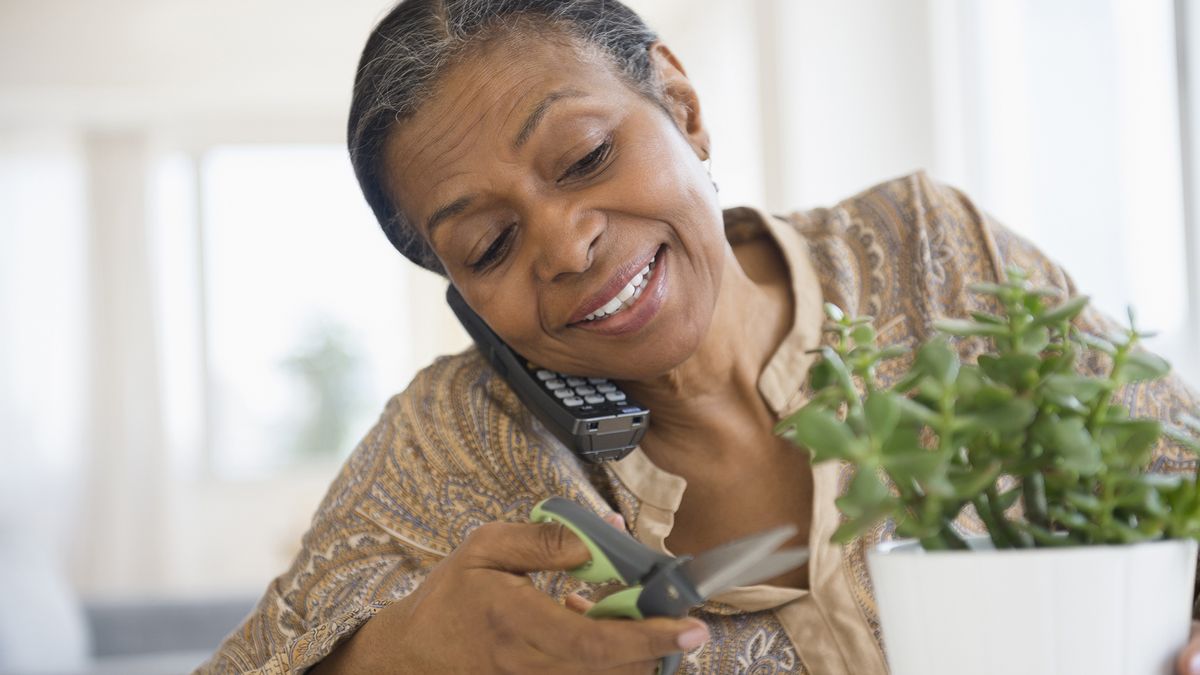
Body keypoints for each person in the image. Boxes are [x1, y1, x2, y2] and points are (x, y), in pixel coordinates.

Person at [197, 1, 1200, 673]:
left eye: (587, 156)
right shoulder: (446, 440)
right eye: (489, 245)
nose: (566, 244)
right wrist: (399, 652)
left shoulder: (933, 247)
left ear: (681, 105)